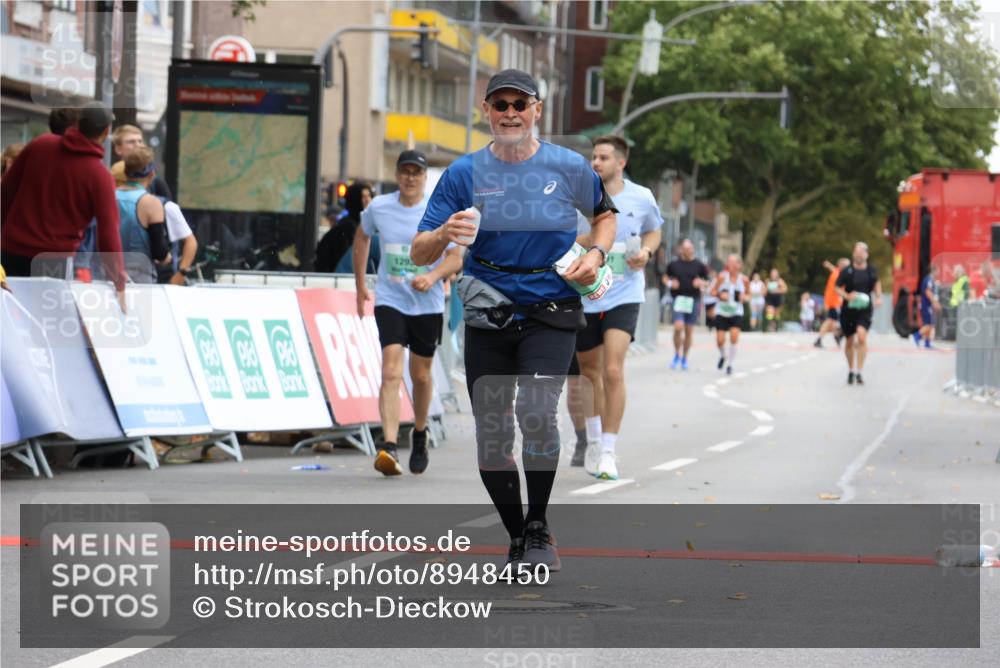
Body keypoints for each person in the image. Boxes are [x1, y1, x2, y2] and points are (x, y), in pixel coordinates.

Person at [410, 69, 617, 572]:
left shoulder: (567, 167)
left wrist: (597, 252)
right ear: (486, 111)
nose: (509, 113)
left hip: (551, 309)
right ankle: (516, 533)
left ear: (536, 111)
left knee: (537, 413)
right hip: (490, 313)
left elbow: (605, 216)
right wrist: (443, 234)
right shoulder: (463, 174)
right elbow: (418, 250)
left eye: (519, 105)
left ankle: (540, 523)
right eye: (499, 104)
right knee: (494, 435)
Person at [355, 150, 463, 477]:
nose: (410, 178)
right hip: (391, 298)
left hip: (426, 302)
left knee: (421, 374)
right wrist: (361, 284)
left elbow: (456, 258)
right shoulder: (379, 207)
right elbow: (362, 237)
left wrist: (432, 276)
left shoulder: (440, 211)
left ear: (425, 177)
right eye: (405, 172)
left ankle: (419, 431)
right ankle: (388, 445)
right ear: (397, 175)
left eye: (416, 172)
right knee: (390, 370)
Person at [573, 135, 662, 480]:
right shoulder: (580, 197)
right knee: (588, 371)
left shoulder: (641, 198)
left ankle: (609, 449)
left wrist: (646, 253)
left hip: (625, 292)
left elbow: (654, 231)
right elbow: (568, 238)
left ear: (621, 163)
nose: (596, 163)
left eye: (604, 158)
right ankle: (594, 441)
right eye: (594, 157)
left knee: (612, 369)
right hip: (586, 293)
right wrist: (592, 244)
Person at [0, 102, 126, 300]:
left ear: (78, 124)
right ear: (106, 132)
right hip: (54, 260)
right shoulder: (99, 175)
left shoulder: (40, 144)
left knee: (6, 317)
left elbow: (5, 191)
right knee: (45, 322)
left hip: (10, 250)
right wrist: (118, 279)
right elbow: (108, 233)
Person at [110, 161, 197, 284]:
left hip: (156, 278)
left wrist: (181, 273)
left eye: (120, 184)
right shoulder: (113, 201)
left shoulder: (165, 206)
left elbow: (190, 242)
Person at [115, 146, 171, 283]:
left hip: (107, 273)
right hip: (139, 280)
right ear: (152, 174)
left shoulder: (108, 196)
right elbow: (160, 251)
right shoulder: (151, 203)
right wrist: (167, 258)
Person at [836, 242, 882, 385]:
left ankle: (859, 371)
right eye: (856, 252)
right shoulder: (847, 271)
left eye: (861, 252)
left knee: (861, 336)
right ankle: (851, 370)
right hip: (848, 310)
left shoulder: (871, 270)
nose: (859, 255)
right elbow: (837, 288)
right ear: (853, 254)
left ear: (866, 254)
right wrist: (847, 296)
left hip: (865, 309)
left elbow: (877, 283)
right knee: (849, 341)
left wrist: (879, 297)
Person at [666, 239, 708, 370]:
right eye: (684, 248)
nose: (687, 251)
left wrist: (700, 283)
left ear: (693, 249)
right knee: (678, 327)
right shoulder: (674, 264)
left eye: (689, 248)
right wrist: (670, 283)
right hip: (678, 299)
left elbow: (708, 280)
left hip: (693, 300)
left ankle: (684, 358)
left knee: (689, 331)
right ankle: (676, 354)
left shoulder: (699, 265)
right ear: (681, 250)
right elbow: (665, 277)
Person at [315, 182, 373, 272]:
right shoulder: (349, 227)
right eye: (363, 196)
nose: (368, 200)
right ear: (354, 199)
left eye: (369, 195)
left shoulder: (361, 224)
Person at [710, 254, 749, 375]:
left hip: (736, 312)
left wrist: (744, 297)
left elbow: (749, 294)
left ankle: (730, 364)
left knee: (734, 336)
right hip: (722, 311)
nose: (729, 265)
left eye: (732, 263)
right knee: (720, 340)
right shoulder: (722, 277)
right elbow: (712, 291)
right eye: (728, 263)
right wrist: (719, 295)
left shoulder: (744, 280)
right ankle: (723, 355)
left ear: (739, 265)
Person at [111, 124, 173, 200]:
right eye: (131, 142)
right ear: (118, 149)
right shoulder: (110, 178)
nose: (138, 145)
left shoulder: (155, 181)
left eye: (140, 141)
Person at [815, 258, 849, 348]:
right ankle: (835, 335)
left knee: (832, 321)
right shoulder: (837, 275)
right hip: (834, 303)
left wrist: (829, 265)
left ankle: (835, 335)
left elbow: (835, 270)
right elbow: (831, 290)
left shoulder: (838, 273)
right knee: (832, 321)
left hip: (836, 303)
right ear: (841, 266)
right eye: (847, 266)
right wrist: (827, 303)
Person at [914, 264, 940, 348]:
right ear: (934, 271)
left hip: (927, 305)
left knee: (930, 323)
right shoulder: (929, 280)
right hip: (926, 305)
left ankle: (927, 342)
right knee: (928, 324)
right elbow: (928, 292)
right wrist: (935, 302)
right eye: (937, 271)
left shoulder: (930, 280)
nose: (938, 273)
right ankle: (917, 335)